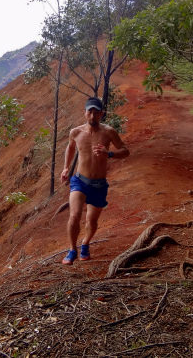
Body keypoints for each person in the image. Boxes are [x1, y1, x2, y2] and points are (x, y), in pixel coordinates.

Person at [60, 96, 130, 264]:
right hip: (79, 181)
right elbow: (70, 148)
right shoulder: (75, 132)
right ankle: (72, 250)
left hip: (99, 184)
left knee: (91, 220)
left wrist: (110, 154)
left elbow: (126, 151)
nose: (92, 116)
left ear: (101, 114)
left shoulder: (108, 132)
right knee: (74, 215)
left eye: (96, 113)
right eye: (89, 112)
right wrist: (65, 167)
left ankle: (85, 243)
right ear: (84, 113)